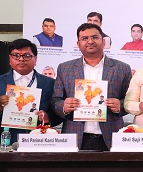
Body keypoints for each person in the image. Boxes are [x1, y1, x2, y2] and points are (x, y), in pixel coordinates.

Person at [51, 23, 131, 151]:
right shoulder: (64, 68)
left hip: (111, 136)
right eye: (84, 38)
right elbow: (55, 100)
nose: (90, 41)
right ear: (78, 44)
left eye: (94, 37)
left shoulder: (122, 68)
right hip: (75, 136)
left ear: (103, 41)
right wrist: (64, 106)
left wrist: (120, 106)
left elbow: (130, 100)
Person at [0, 39, 61, 143]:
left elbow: (59, 112)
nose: (21, 59)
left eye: (27, 56)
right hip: (6, 140)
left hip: (39, 141)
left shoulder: (50, 83)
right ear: (10, 58)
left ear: (35, 59)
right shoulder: (1, 81)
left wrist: (48, 118)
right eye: (16, 55)